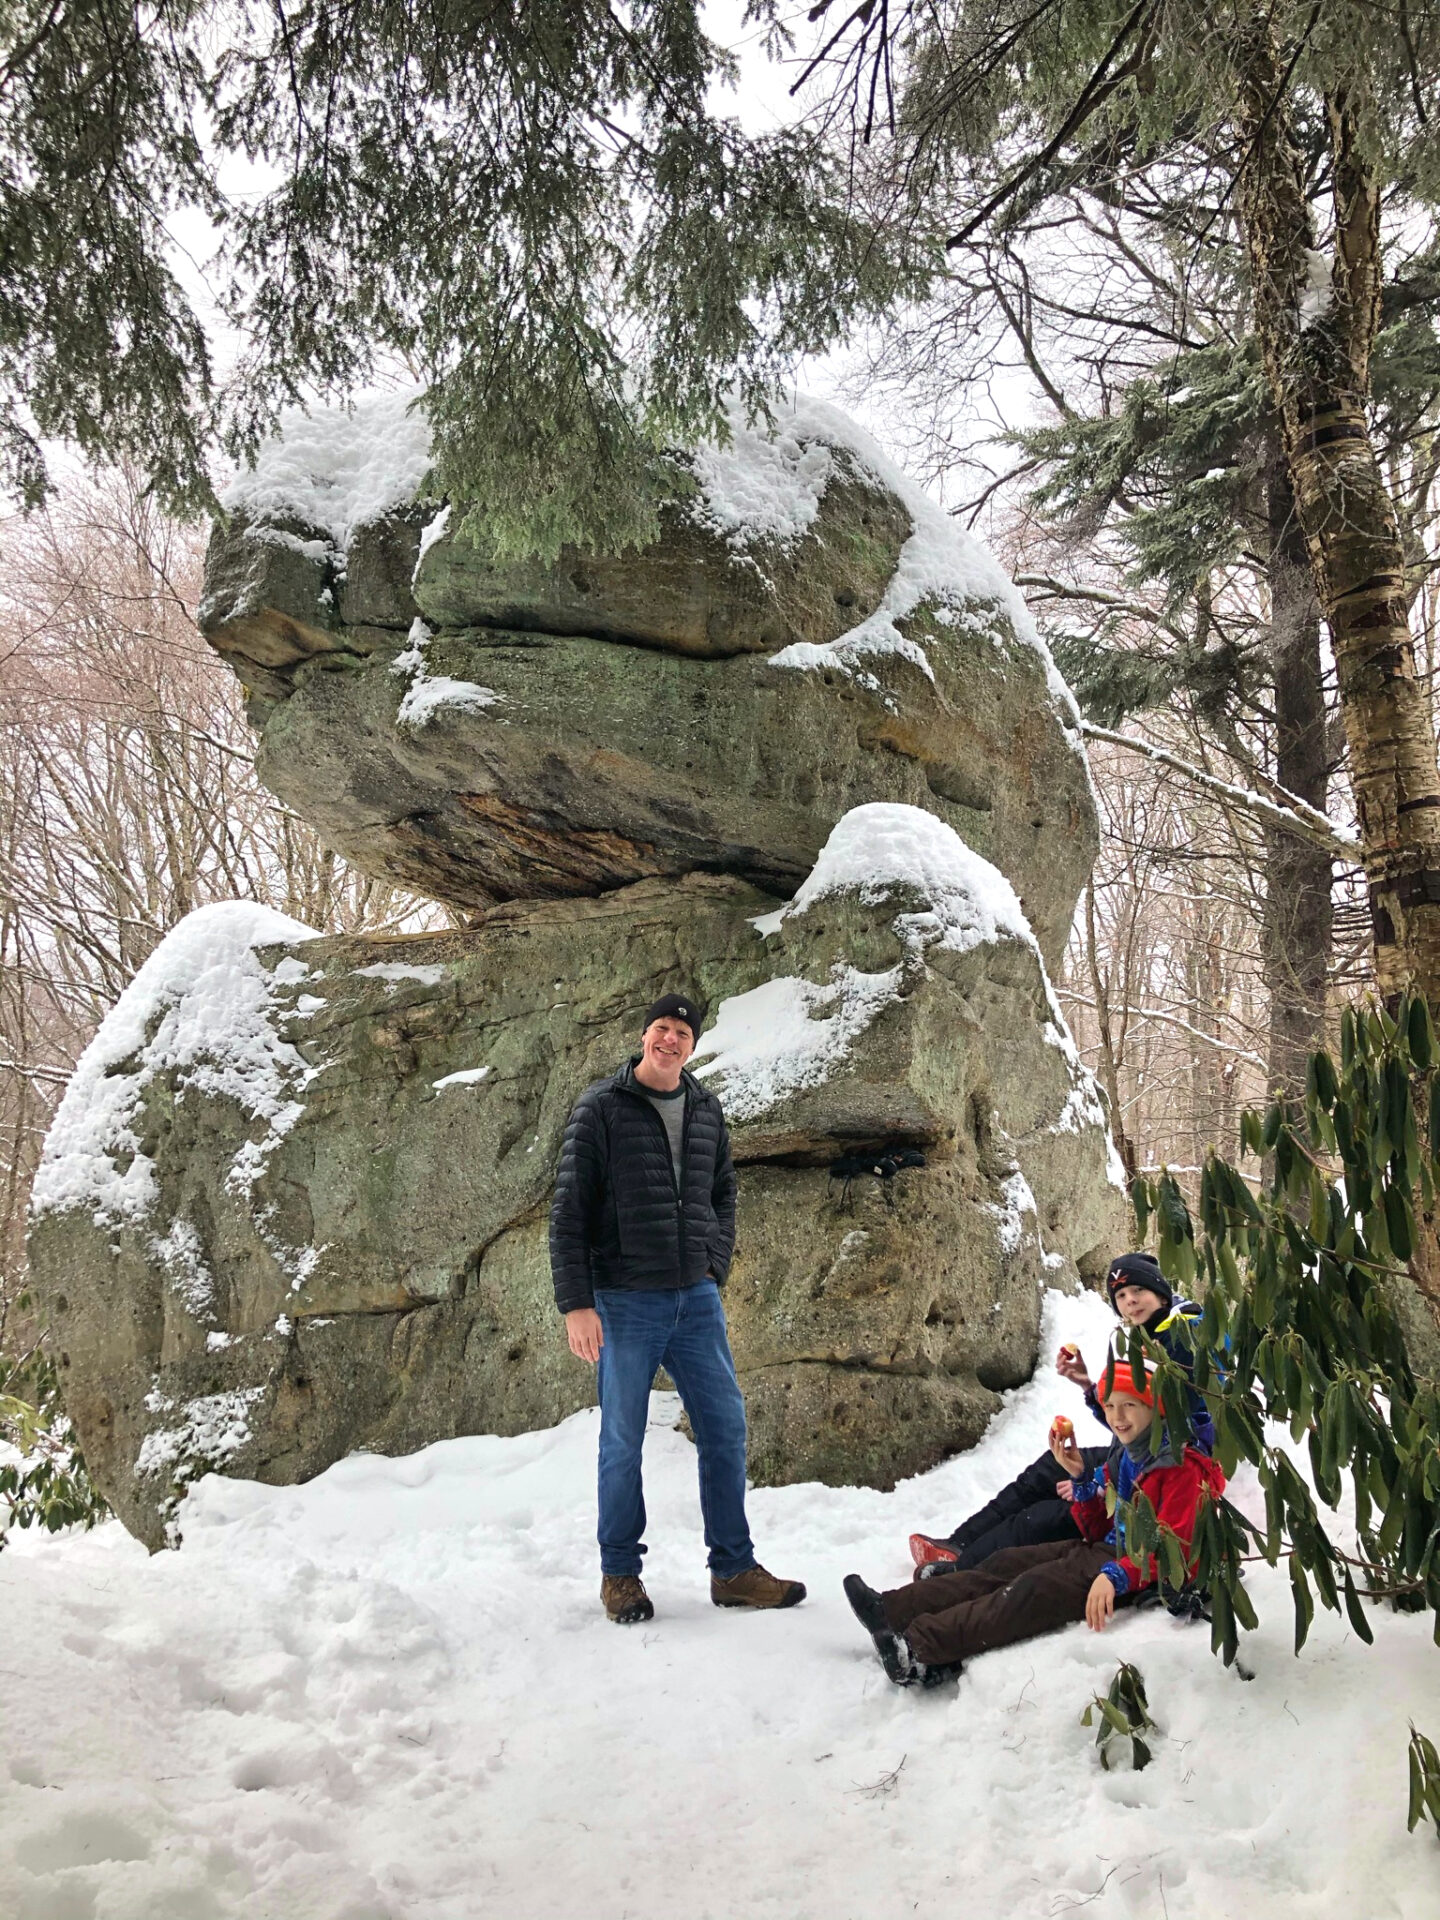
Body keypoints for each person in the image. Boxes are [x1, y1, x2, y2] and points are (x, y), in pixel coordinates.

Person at [549, 990, 806, 1625]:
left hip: (695, 1302)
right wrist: (577, 1304)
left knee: (724, 1427)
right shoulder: (601, 1108)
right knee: (621, 1441)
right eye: (662, 1029)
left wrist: (712, 1264)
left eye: (683, 1035)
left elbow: (724, 1193)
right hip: (625, 1301)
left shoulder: (706, 1108)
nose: (671, 1041)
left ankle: (734, 1570)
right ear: (645, 1035)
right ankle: (621, 1575)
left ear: (694, 1046)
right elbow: (568, 1212)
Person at [845, 1361, 1226, 1686]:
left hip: (1135, 1571)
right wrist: (1079, 1478)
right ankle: (892, 1610)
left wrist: (1114, 1576)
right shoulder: (1132, 1453)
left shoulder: (1179, 1467)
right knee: (1005, 1564)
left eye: (1130, 1405)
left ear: (1155, 1407)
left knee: (1028, 1591)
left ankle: (919, 1651)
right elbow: (1102, 1526)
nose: (1117, 1417)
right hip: (1107, 1552)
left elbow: (1176, 1550)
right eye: (1110, 1406)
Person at [908, 1250, 1212, 1574]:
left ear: (1160, 1292)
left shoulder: (1186, 1336)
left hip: (1166, 1472)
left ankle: (958, 1571)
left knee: (1041, 1516)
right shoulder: (1145, 1336)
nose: (1130, 1300)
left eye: (1138, 1290)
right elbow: (1134, 1418)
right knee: (1049, 1467)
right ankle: (958, 1545)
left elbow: (1177, 1432)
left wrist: (1096, 1480)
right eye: (1121, 1295)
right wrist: (1088, 1386)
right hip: (1134, 1455)